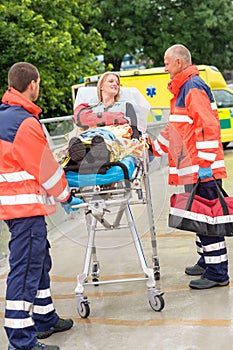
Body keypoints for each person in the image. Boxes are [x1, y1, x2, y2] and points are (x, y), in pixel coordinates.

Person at [0, 62, 82, 350]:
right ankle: (21, 342)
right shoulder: (25, 122)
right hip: (26, 209)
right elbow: (45, 169)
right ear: (33, 84)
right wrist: (68, 197)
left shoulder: (5, 117)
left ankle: (44, 317)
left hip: (14, 208)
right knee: (24, 272)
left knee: (39, 261)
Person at [152, 44, 229, 289]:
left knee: (208, 218)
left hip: (201, 167)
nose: (164, 68)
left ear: (179, 62)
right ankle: (206, 260)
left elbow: (207, 127)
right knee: (199, 214)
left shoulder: (192, 88)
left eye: (167, 63)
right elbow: (174, 128)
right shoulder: (183, 89)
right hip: (193, 167)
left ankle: (217, 272)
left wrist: (205, 164)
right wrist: (154, 147)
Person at [61, 71, 143, 173]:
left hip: (115, 137)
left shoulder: (126, 106)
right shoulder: (91, 108)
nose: (115, 84)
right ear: (101, 87)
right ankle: (82, 157)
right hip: (92, 135)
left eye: (117, 83)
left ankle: (99, 158)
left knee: (101, 142)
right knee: (85, 140)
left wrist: (135, 140)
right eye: (111, 81)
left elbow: (134, 128)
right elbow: (82, 125)